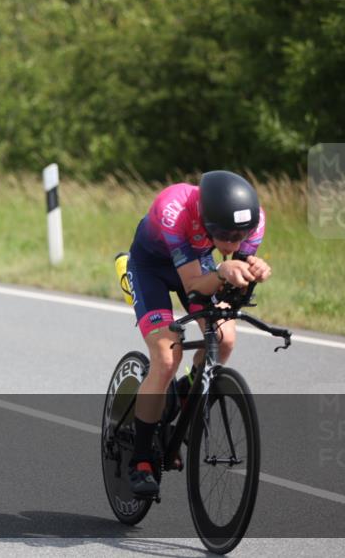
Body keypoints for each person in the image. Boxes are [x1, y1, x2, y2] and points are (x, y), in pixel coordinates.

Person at [124, 170, 272, 498]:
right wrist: (222, 270)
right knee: (166, 356)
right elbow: (193, 287)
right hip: (152, 270)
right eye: (227, 236)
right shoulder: (173, 208)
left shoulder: (253, 219)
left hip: (197, 265)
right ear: (208, 221)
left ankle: (181, 396)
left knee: (224, 339)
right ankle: (142, 458)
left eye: (241, 236)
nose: (234, 244)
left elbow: (237, 265)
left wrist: (253, 268)